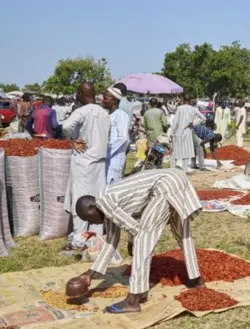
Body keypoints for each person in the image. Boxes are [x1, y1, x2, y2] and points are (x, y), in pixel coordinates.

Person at [69, 169, 205, 313]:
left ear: (91, 206)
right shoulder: (108, 205)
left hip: (165, 185)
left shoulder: (103, 200)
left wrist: (133, 241)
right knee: (182, 234)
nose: (94, 223)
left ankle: (133, 299)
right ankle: (197, 281)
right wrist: (89, 274)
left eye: (89, 218)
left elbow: (137, 230)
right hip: (176, 177)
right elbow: (111, 242)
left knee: (143, 239)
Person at [62, 82, 111, 237]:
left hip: (84, 162)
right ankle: (96, 235)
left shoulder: (81, 112)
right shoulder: (104, 113)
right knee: (97, 201)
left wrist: (72, 140)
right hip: (100, 163)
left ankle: (79, 236)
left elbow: (65, 127)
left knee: (80, 200)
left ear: (81, 94)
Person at [169, 94, 206, 173]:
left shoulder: (179, 108)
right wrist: (194, 123)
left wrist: (171, 133)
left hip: (179, 132)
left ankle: (171, 171)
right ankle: (184, 172)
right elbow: (203, 118)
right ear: (190, 100)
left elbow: (175, 122)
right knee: (186, 153)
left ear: (183, 100)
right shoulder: (194, 109)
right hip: (188, 132)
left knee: (175, 153)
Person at [102, 87, 131, 185]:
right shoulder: (108, 114)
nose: (103, 101)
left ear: (114, 100)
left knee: (112, 187)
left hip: (115, 158)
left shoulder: (121, 115)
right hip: (107, 158)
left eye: (106, 98)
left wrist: (107, 150)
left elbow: (123, 138)